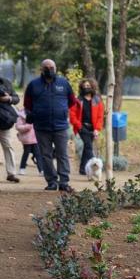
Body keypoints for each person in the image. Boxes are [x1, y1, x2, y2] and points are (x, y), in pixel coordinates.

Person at [23, 59, 78, 192]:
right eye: (46, 67)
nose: (49, 69)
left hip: (60, 126)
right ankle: (52, 182)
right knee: (45, 155)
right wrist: (35, 114)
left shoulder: (64, 83)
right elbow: (27, 104)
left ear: (55, 68)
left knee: (62, 154)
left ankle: (64, 182)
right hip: (41, 127)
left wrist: (62, 111)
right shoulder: (33, 85)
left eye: (51, 67)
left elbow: (72, 101)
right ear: (41, 69)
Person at [70, 78, 105, 175]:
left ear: (92, 87)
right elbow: (72, 115)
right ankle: (96, 165)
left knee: (87, 147)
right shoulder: (78, 100)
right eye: (84, 86)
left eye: (88, 86)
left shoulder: (98, 100)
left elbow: (100, 116)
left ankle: (82, 169)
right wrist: (79, 126)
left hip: (93, 128)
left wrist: (97, 129)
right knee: (89, 146)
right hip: (82, 127)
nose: (86, 88)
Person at [0, 74, 21, 183]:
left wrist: (9, 98)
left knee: (8, 146)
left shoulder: (6, 82)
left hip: (5, 120)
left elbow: (16, 98)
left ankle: (11, 173)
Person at [15, 107, 41, 175]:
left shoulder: (37, 111)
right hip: (27, 139)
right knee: (26, 153)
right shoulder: (21, 115)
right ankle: (22, 168)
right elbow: (18, 126)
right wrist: (28, 126)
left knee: (38, 154)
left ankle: (41, 170)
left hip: (35, 138)